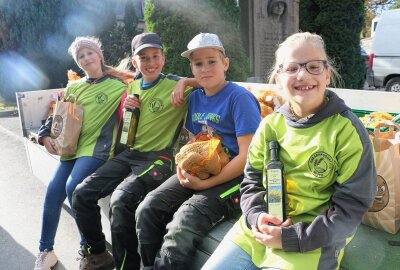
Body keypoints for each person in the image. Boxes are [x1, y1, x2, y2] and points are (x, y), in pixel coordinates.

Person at [202, 32, 377, 270]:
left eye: (313, 66)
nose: (303, 75)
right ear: (278, 77)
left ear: (327, 74)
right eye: (292, 68)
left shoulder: (347, 131)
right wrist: (256, 216)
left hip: (313, 240)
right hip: (258, 231)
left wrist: (289, 238)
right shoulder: (270, 125)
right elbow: (252, 181)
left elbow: (351, 209)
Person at [135, 32, 261, 270]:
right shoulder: (196, 99)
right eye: (198, 64)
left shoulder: (239, 98)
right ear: (191, 68)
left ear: (225, 63)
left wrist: (203, 186)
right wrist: (184, 169)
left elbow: (248, 157)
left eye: (212, 61)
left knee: (183, 224)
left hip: (235, 177)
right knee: (148, 208)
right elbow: (194, 143)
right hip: (202, 170)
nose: (205, 69)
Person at [72, 32, 197, 270]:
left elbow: (210, 80)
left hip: (159, 157)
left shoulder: (174, 84)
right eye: (144, 58)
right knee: (81, 193)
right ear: (134, 61)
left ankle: (126, 266)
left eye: (155, 56)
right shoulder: (133, 86)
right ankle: (98, 253)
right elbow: (127, 125)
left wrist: (185, 82)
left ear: (163, 57)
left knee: (120, 201)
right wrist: (126, 107)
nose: (151, 63)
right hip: (130, 154)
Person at [34, 36, 134, 270]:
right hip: (72, 148)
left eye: (90, 53)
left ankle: (88, 250)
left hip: (97, 149)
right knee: (53, 191)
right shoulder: (74, 86)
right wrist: (44, 134)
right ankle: (45, 250)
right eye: (81, 56)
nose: (86, 58)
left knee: (73, 188)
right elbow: (57, 115)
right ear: (78, 62)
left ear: (99, 54)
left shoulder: (120, 87)